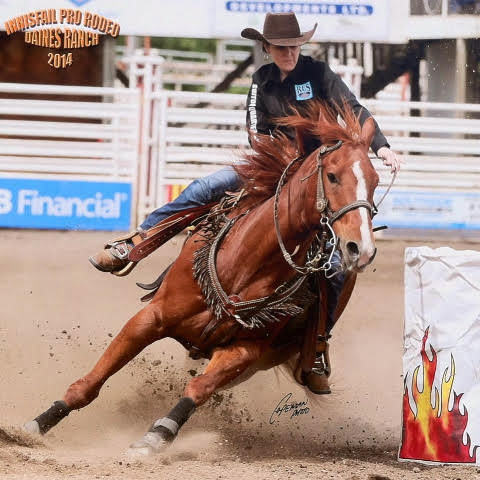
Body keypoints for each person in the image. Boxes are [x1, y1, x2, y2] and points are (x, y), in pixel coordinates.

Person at [89, 12, 401, 393]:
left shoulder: (318, 74)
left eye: (293, 46)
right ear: (267, 48)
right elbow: (255, 130)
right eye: (281, 47)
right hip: (272, 170)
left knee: (336, 269)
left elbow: (353, 108)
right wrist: (275, 164)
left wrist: (381, 146)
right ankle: (135, 243)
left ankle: (316, 346)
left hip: (318, 183)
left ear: (300, 46)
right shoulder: (261, 82)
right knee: (205, 187)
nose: (288, 53)